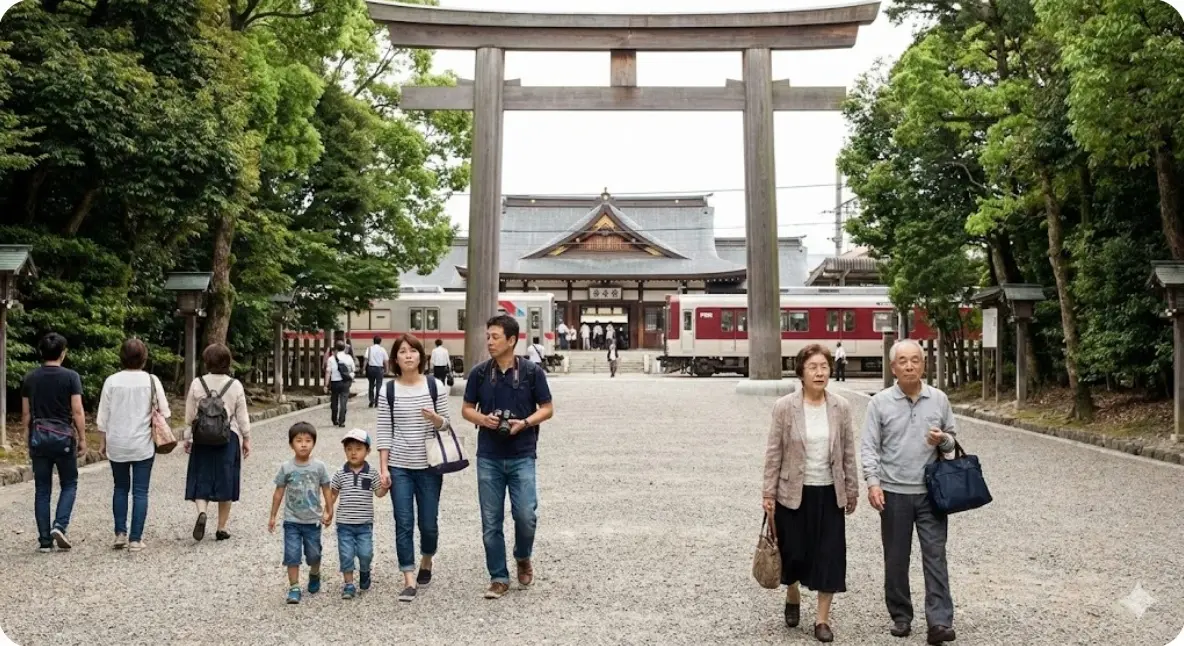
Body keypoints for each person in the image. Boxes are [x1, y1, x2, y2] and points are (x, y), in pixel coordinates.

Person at [862, 339, 958, 645]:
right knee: (896, 558)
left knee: (935, 556)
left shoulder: (939, 399)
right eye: (902, 361)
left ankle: (940, 621)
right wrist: (873, 482)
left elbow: (953, 442)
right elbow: (869, 447)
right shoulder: (879, 403)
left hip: (932, 492)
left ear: (924, 364)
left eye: (915, 360)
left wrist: (942, 439)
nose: (909, 366)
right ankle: (901, 615)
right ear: (893, 368)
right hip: (893, 491)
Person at [762, 344, 858, 643]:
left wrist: (852, 488)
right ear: (801, 372)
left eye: (824, 367)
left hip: (829, 493)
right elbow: (774, 452)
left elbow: (848, 452)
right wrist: (768, 492)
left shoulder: (840, 407)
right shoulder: (785, 407)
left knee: (829, 554)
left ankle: (822, 620)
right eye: (813, 367)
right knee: (794, 554)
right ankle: (792, 593)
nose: (820, 372)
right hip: (792, 492)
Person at [462, 315, 555, 600]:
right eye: (488, 336)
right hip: (488, 455)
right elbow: (466, 409)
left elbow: (547, 408)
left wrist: (525, 422)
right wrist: (484, 419)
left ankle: (523, 556)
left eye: (495, 337)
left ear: (512, 340)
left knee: (526, 515)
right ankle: (498, 577)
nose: (489, 341)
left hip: (522, 453)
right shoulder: (479, 373)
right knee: (491, 520)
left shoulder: (531, 372)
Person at [376, 334, 452, 603]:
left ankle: (427, 559)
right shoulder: (389, 390)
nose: (408, 355)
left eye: (413, 351)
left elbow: (447, 425)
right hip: (399, 466)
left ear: (422, 356)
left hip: (430, 465)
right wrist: (383, 468)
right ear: (395, 358)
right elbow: (384, 430)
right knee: (403, 522)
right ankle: (408, 577)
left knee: (428, 523)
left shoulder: (436, 387)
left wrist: (436, 419)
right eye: (402, 352)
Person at [97, 338, 171, 552]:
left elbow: (103, 416)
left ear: (121, 356)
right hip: (143, 443)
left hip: (117, 442)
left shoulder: (111, 381)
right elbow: (164, 411)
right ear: (144, 358)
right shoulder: (151, 380)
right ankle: (136, 539)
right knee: (140, 491)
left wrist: (102, 442)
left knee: (120, 488)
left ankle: (120, 532)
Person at [21, 332, 86, 553]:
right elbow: (77, 411)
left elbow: (26, 415)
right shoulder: (71, 377)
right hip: (64, 439)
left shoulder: (30, 378)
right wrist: (83, 439)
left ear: (41, 352)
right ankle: (59, 525)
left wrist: (26, 438)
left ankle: (44, 541)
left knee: (42, 489)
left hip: (39, 438)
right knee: (69, 483)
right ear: (63, 353)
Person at [185, 343, 251, 542]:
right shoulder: (235, 385)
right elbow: (242, 416)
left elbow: (190, 416)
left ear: (206, 362)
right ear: (228, 362)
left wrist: (188, 437)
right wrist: (246, 438)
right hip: (227, 436)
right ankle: (221, 527)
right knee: (226, 478)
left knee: (201, 474)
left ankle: (201, 512)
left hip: (202, 437)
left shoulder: (197, 383)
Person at [269, 422, 332, 605]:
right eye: (299, 441)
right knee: (292, 554)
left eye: (308, 440)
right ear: (291, 444)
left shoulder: (319, 467)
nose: (303, 444)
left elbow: (326, 489)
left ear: (314, 443)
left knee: (314, 555)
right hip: (292, 520)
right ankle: (294, 587)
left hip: (313, 520)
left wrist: (329, 509)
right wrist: (273, 516)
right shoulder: (286, 467)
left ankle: (314, 573)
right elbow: (279, 492)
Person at [327, 428, 387, 599]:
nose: (353, 453)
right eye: (349, 449)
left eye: (358, 449)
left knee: (365, 553)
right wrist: (328, 512)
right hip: (344, 524)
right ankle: (348, 584)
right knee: (346, 554)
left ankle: (365, 570)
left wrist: (386, 486)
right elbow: (332, 494)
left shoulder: (371, 473)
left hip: (364, 524)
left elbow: (379, 493)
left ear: (367, 451)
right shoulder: (340, 473)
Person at [325, 341, 356, 428]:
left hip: (335, 383)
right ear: (344, 348)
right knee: (343, 402)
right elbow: (353, 370)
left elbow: (328, 372)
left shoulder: (331, 358)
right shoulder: (348, 357)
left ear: (336, 348)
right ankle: (341, 421)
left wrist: (326, 385)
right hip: (345, 382)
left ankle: (334, 419)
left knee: (334, 401)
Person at [363, 337, 389, 408]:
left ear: (373, 341)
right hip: (379, 369)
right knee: (379, 385)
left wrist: (364, 369)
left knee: (371, 385)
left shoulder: (369, 349)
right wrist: (387, 369)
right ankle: (377, 401)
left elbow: (366, 359)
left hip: (371, 368)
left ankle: (371, 400)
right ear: (380, 342)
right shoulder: (382, 349)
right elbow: (386, 361)